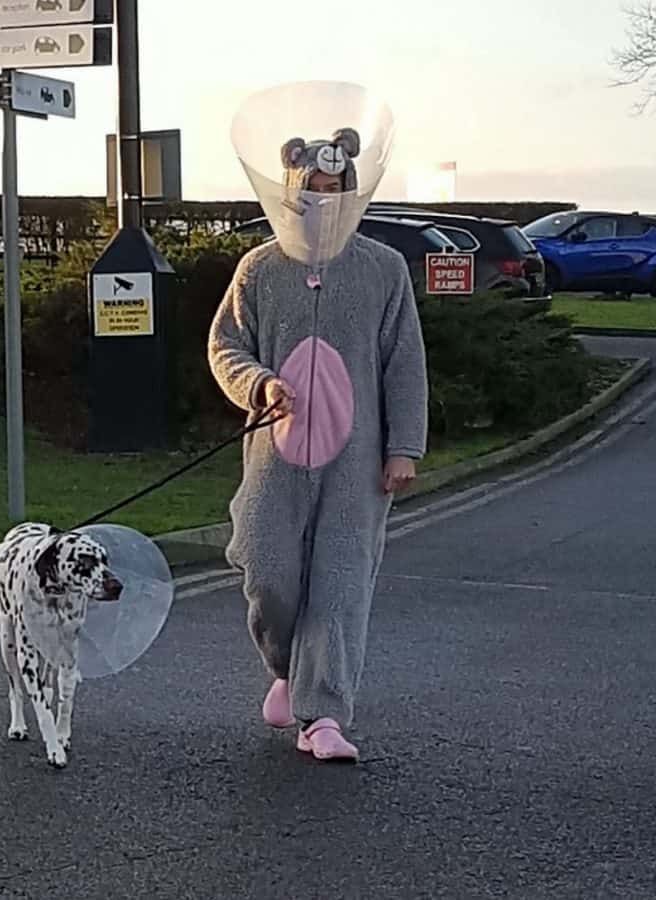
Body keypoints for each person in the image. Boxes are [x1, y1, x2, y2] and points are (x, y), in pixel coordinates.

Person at [207, 126, 428, 762]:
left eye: (337, 190)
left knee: (340, 581)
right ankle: (287, 669)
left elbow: (403, 363)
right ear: (293, 192)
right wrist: (260, 383)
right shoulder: (259, 269)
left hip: (357, 464)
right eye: (315, 189)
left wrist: (403, 446)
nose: (325, 200)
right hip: (275, 459)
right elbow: (225, 345)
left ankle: (323, 712)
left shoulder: (383, 270)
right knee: (264, 566)